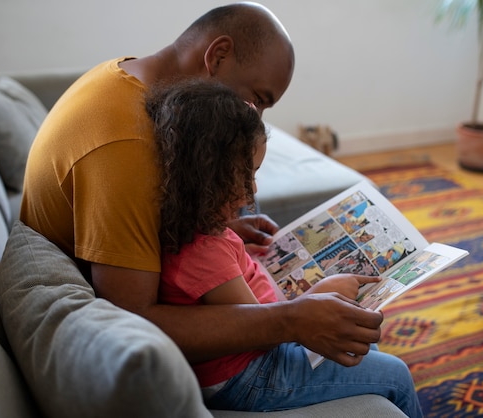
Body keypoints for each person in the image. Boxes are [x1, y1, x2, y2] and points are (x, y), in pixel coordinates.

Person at [20, 2, 418, 410]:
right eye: (257, 99)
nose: (254, 116)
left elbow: (143, 225)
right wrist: (293, 320)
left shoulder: (126, 79)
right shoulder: (127, 146)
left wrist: (210, 221)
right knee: (391, 374)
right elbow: (134, 320)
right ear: (218, 56)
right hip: (220, 365)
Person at [148, 79, 422, 416]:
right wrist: (316, 293)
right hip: (251, 373)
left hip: (255, 355)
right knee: (395, 374)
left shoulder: (198, 229)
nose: (252, 188)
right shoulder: (204, 251)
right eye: (244, 175)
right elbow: (256, 330)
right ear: (206, 177)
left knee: (359, 339)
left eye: (256, 172)